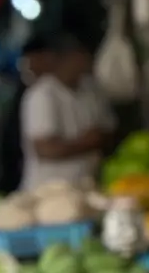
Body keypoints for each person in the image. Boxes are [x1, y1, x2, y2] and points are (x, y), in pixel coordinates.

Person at [21, 31, 114, 193]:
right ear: (64, 58)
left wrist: (94, 140)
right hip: (48, 193)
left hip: (87, 188)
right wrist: (88, 142)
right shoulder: (42, 94)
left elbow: (109, 132)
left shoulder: (91, 90)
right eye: (80, 55)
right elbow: (45, 149)